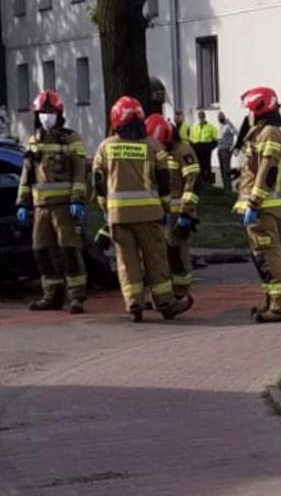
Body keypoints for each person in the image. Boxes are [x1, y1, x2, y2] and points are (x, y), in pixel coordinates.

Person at [93, 97, 192, 322]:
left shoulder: (105, 147)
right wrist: (165, 207)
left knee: (127, 262)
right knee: (156, 259)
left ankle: (134, 305)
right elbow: (164, 182)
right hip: (150, 214)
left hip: (119, 216)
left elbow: (98, 183)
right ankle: (166, 304)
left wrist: (106, 209)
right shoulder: (154, 146)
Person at [15, 90, 91, 313]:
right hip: (41, 208)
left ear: (59, 114)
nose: (46, 116)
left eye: (50, 112)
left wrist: (77, 199)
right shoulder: (33, 140)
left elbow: (80, 171)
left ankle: (76, 297)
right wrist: (22, 202)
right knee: (42, 251)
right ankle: (52, 294)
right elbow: (27, 174)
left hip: (64, 207)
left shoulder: (71, 138)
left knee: (69, 251)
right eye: (42, 112)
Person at [234, 86, 281, 323]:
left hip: (261, 208)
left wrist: (254, 203)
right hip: (258, 208)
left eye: (249, 110)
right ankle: (272, 301)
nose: (247, 115)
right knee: (262, 258)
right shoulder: (262, 133)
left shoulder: (270, 133)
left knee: (269, 256)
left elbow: (268, 172)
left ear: (258, 109)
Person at [147, 113, 201, 300]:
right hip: (162, 212)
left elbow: (193, 182)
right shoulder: (156, 151)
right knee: (161, 254)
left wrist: (186, 213)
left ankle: (181, 292)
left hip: (180, 214)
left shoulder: (183, 150)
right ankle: (165, 293)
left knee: (177, 254)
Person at [186, 110, 220, 187]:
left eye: (202, 117)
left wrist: (210, 147)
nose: (201, 119)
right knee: (198, 167)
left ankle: (210, 184)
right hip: (197, 149)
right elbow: (191, 139)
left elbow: (216, 140)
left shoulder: (211, 127)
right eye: (200, 117)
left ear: (205, 117)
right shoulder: (194, 127)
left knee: (207, 167)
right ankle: (201, 185)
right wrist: (193, 148)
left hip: (206, 149)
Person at [215, 112, 238, 188]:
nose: (219, 119)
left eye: (220, 117)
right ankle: (225, 186)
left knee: (226, 169)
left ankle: (228, 187)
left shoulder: (228, 125)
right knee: (222, 169)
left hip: (226, 149)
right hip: (220, 149)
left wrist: (233, 146)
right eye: (218, 118)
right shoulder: (220, 125)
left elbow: (236, 134)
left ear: (224, 117)